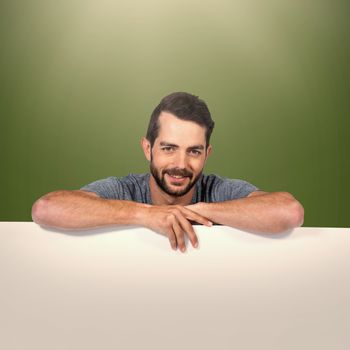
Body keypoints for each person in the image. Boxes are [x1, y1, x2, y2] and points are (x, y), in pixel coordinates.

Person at [31, 92, 304, 252]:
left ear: (206, 154)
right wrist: (145, 214)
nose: (181, 164)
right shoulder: (124, 190)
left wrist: (197, 211)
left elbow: (289, 212)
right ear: (147, 148)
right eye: (169, 148)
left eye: (194, 151)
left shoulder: (219, 191)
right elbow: (46, 209)